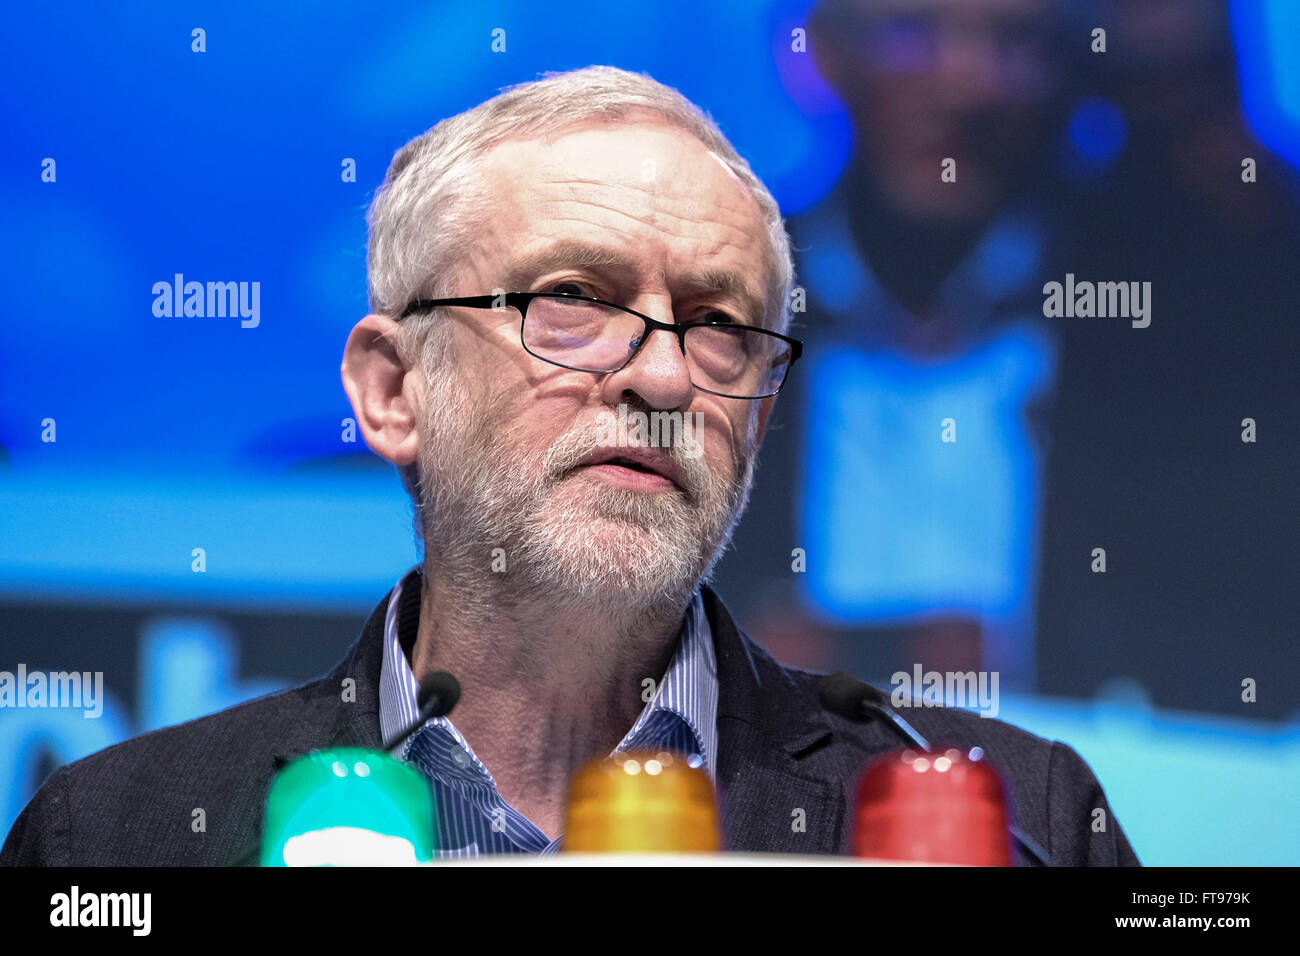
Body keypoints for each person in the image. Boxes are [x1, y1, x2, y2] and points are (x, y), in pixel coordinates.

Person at [1, 65, 1137, 865]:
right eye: (575, 302)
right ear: (393, 392)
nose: (660, 378)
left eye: (717, 323)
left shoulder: (1013, 819)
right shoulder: (120, 834)